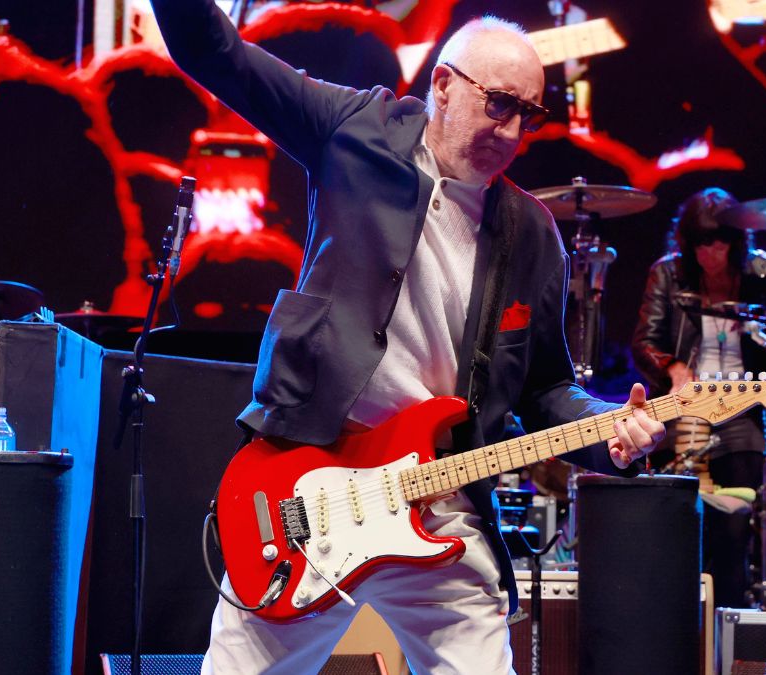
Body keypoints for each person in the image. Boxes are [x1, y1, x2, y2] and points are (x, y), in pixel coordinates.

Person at [149, 3, 666, 673]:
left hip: (436, 503)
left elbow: (546, 388)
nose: (511, 132)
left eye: (529, 116)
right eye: (500, 105)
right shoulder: (354, 130)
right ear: (445, 86)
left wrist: (611, 428)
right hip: (309, 484)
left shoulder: (533, 236)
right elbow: (215, 53)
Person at [631, 187, 766, 608]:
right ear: (687, 244)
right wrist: (672, 367)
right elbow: (644, 341)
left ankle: (730, 618)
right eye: (701, 244)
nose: (711, 252)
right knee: (676, 519)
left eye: (720, 242)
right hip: (684, 404)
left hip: (741, 406)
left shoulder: (763, 277)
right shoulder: (668, 273)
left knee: (736, 526)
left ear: (736, 240)